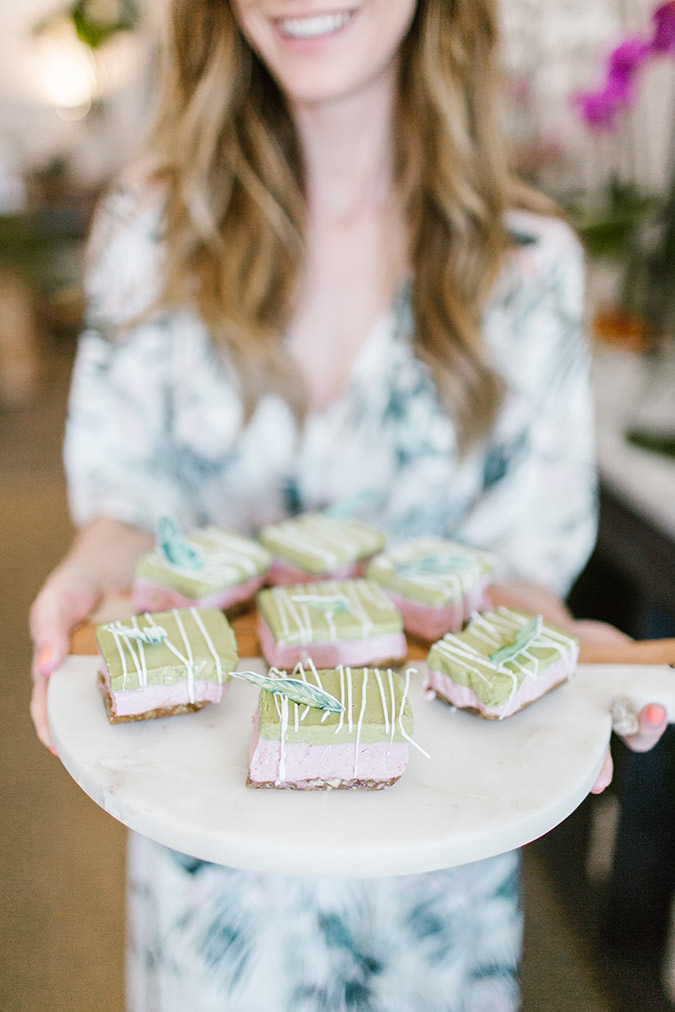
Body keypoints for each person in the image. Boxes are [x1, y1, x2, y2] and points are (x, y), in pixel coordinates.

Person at [29, 2, 667, 1009]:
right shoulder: (146, 230)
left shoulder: (532, 265)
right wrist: (94, 570)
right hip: (214, 879)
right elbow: (124, 512)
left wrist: (551, 656)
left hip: (433, 883)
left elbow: (519, 580)